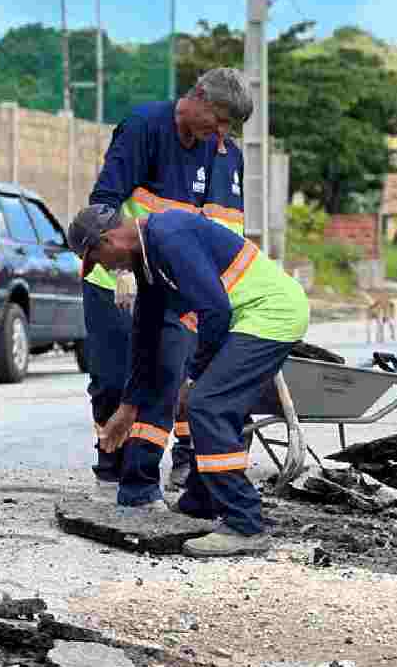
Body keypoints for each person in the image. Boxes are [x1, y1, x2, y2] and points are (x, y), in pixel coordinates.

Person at [69, 204, 309, 556]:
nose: (103, 268)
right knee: (212, 405)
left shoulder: (169, 236)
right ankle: (201, 501)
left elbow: (215, 309)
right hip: (246, 317)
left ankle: (244, 524)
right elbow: (146, 337)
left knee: (207, 405)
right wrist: (128, 406)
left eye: (97, 258)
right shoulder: (147, 259)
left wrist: (195, 376)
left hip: (270, 313)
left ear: (108, 239)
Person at [82, 69, 251, 509]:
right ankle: (111, 463)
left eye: (229, 126)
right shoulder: (145, 127)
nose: (222, 133)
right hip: (116, 277)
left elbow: (221, 231)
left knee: (172, 379)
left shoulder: (227, 155)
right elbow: (104, 201)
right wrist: (122, 272)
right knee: (114, 379)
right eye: (218, 120)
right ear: (197, 97)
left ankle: (171, 468)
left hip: (173, 283)